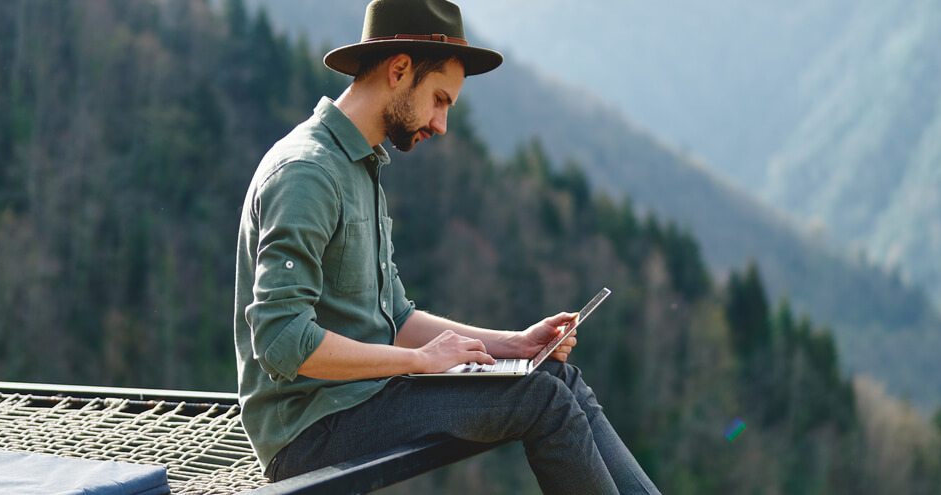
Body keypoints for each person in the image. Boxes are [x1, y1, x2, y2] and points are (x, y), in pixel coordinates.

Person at [232, 0, 657, 492]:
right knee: (542, 400)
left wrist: (513, 344)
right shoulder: (307, 172)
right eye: (439, 99)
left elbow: (396, 317)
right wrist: (420, 360)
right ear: (399, 69)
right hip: (309, 431)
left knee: (562, 381)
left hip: (365, 399)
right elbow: (283, 342)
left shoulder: (359, 167)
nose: (441, 124)